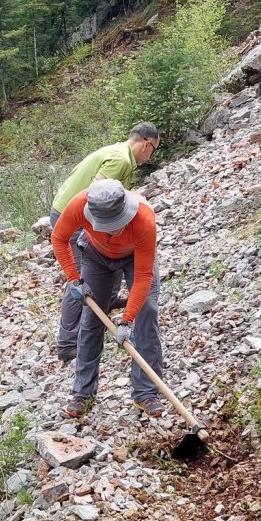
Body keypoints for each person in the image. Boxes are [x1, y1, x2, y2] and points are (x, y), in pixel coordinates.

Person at [51, 178, 165, 419]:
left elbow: (144, 275)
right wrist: (75, 279)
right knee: (91, 318)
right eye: (106, 225)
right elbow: (59, 239)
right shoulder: (78, 205)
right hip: (95, 256)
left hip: (136, 259)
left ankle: (146, 393)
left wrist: (126, 320)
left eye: (116, 224)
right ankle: (83, 394)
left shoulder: (144, 219)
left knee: (148, 311)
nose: (112, 229)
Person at [48, 123, 159, 363]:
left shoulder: (118, 151)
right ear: (147, 143)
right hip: (78, 215)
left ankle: (105, 301)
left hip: (77, 210)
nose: (150, 157)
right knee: (79, 280)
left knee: (103, 263)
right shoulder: (121, 160)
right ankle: (67, 343)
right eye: (153, 151)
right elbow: (96, 194)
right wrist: (73, 278)